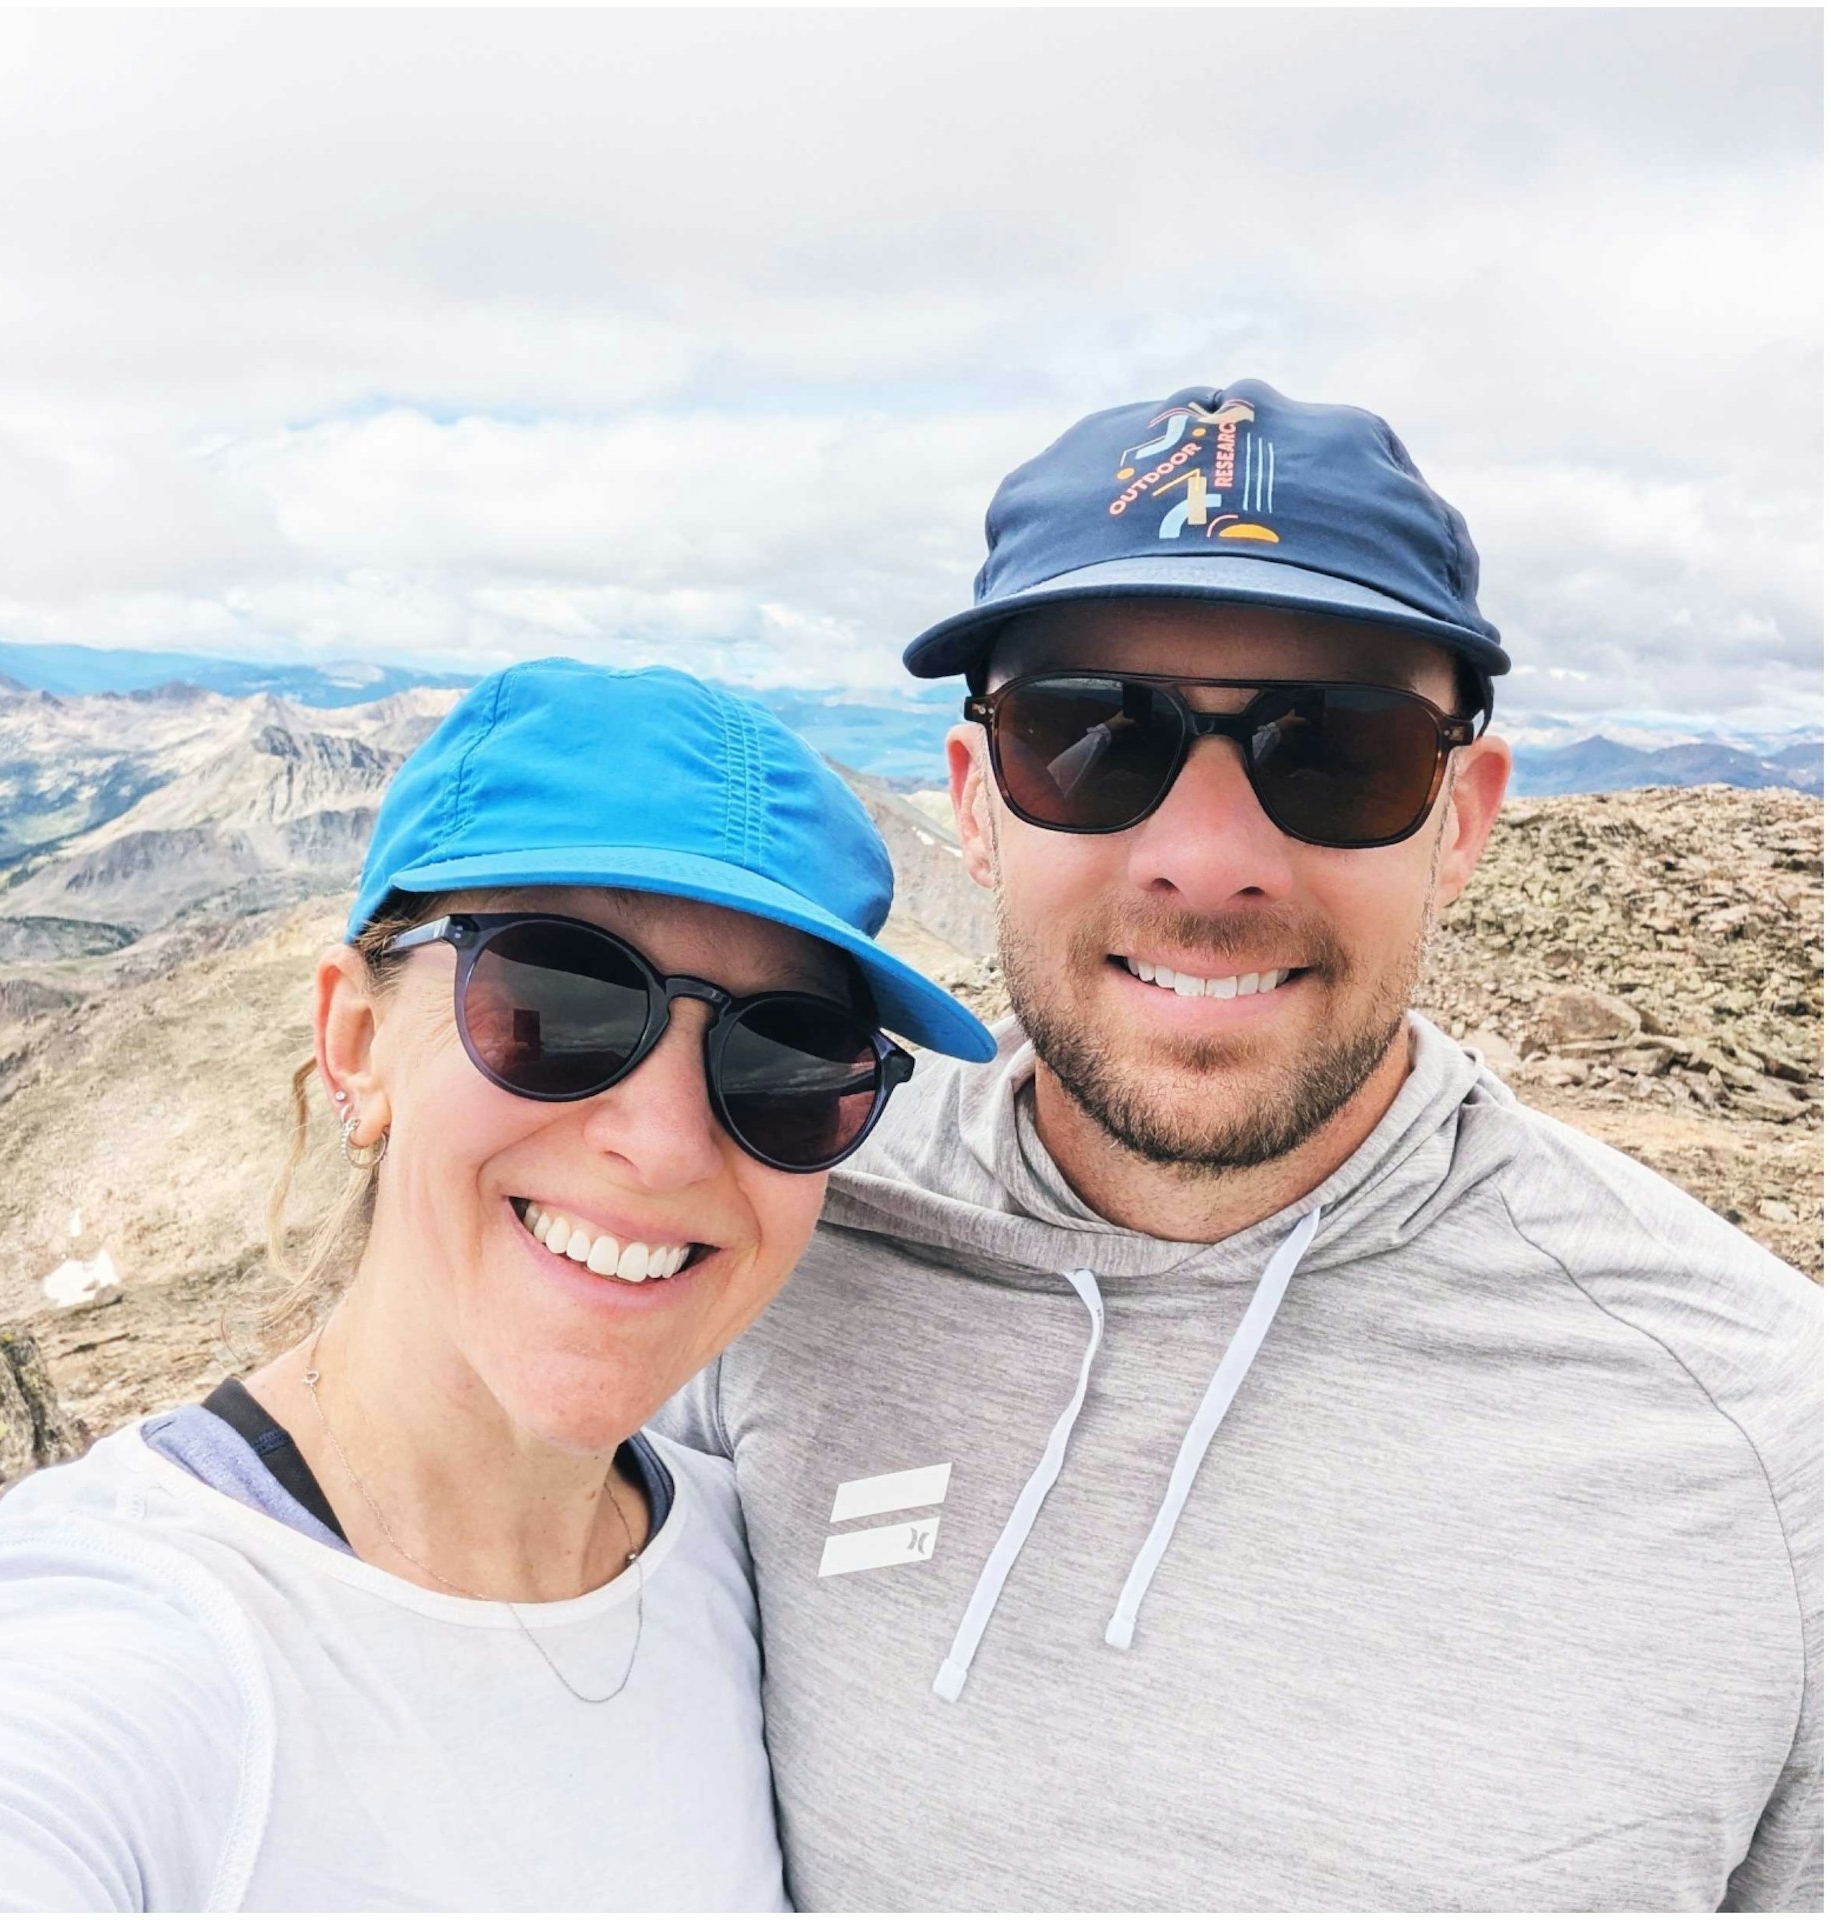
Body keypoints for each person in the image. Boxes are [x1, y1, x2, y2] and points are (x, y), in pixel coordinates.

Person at [655, 380, 1820, 1908]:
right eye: (1089, 737)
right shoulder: (762, 1242)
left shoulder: (1767, 1441)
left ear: (1463, 820)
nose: (1207, 865)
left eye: (1337, 751)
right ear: (976, 805)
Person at [0, 661, 995, 1910]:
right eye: (560, 1001)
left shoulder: (745, 1571)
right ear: (356, 1043)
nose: (665, 1144)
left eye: (791, 1062)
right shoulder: (110, 1643)